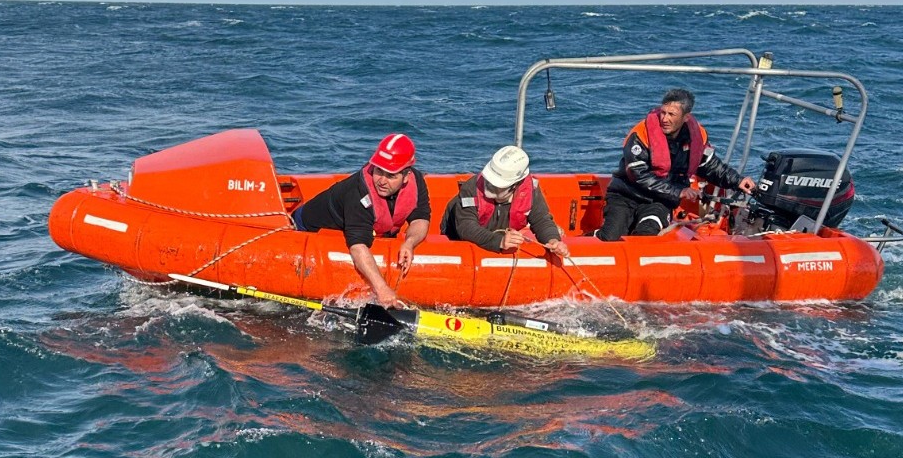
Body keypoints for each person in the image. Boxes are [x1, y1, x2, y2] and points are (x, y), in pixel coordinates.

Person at [597, 88, 757, 241]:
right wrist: (678, 192)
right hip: (626, 195)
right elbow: (638, 175)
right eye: (663, 112)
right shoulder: (640, 134)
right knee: (611, 236)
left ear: (686, 117)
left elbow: (710, 166)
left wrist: (738, 181)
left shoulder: (697, 136)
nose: (664, 119)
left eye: (671, 114)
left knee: (647, 233)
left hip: (660, 201)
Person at [292, 133, 431, 307]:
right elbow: (358, 247)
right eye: (378, 171)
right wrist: (382, 289)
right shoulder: (358, 193)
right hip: (305, 228)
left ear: (406, 176)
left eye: (390, 175)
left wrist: (410, 243)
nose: (382, 181)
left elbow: (420, 219)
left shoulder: (416, 182)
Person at [440, 145, 569, 258]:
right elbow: (466, 226)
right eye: (488, 181)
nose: (489, 187)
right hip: (458, 236)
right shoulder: (470, 188)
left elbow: (541, 220)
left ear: (515, 185)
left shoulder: (530, 191)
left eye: (497, 186)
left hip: (501, 236)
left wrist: (553, 241)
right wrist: (499, 241)